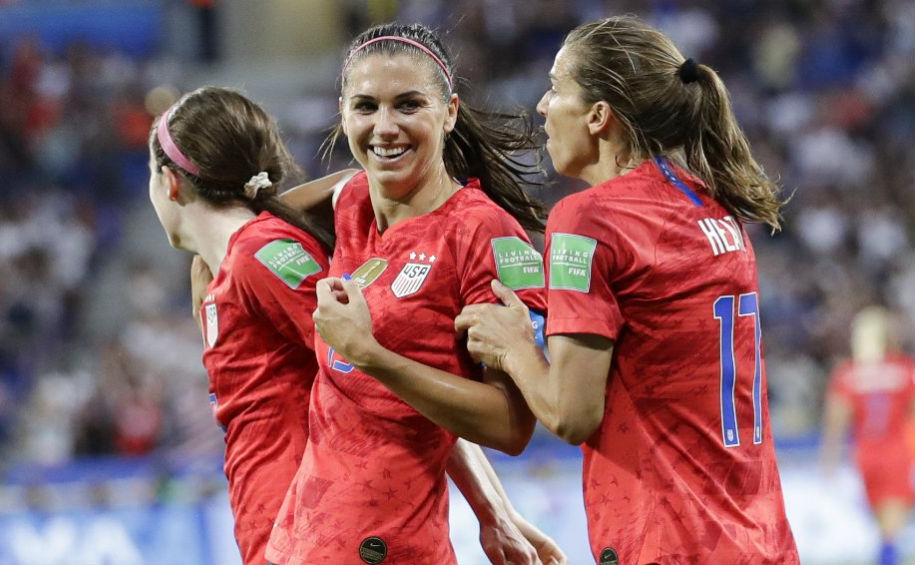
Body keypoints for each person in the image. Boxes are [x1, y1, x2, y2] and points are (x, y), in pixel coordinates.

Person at [147, 86, 562, 564]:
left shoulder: (261, 256)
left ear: (170, 183)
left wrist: (494, 511)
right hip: (283, 537)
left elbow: (387, 383)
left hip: (331, 533)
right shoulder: (221, 269)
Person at [454, 16, 801, 564]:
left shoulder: (589, 218)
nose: (543, 107)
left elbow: (573, 415)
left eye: (555, 88)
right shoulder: (712, 206)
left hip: (671, 539)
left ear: (598, 116)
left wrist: (513, 347)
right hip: (761, 538)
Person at [265, 22, 562, 565]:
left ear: (448, 112)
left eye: (408, 105)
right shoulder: (351, 199)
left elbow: (512, 424)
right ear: (342, 112)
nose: (385, 127)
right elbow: (263, 225)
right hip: (300, 542)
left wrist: (370, 356)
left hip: (388, 547)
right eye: (365, 107)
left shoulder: (482, 234)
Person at [821, 306, 915, 565]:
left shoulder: (847, 374)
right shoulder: (905, 369)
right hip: (897, 454)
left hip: (864, 455)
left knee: (884, 529)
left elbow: (835, 422)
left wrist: (828, 461)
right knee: (890, 533)